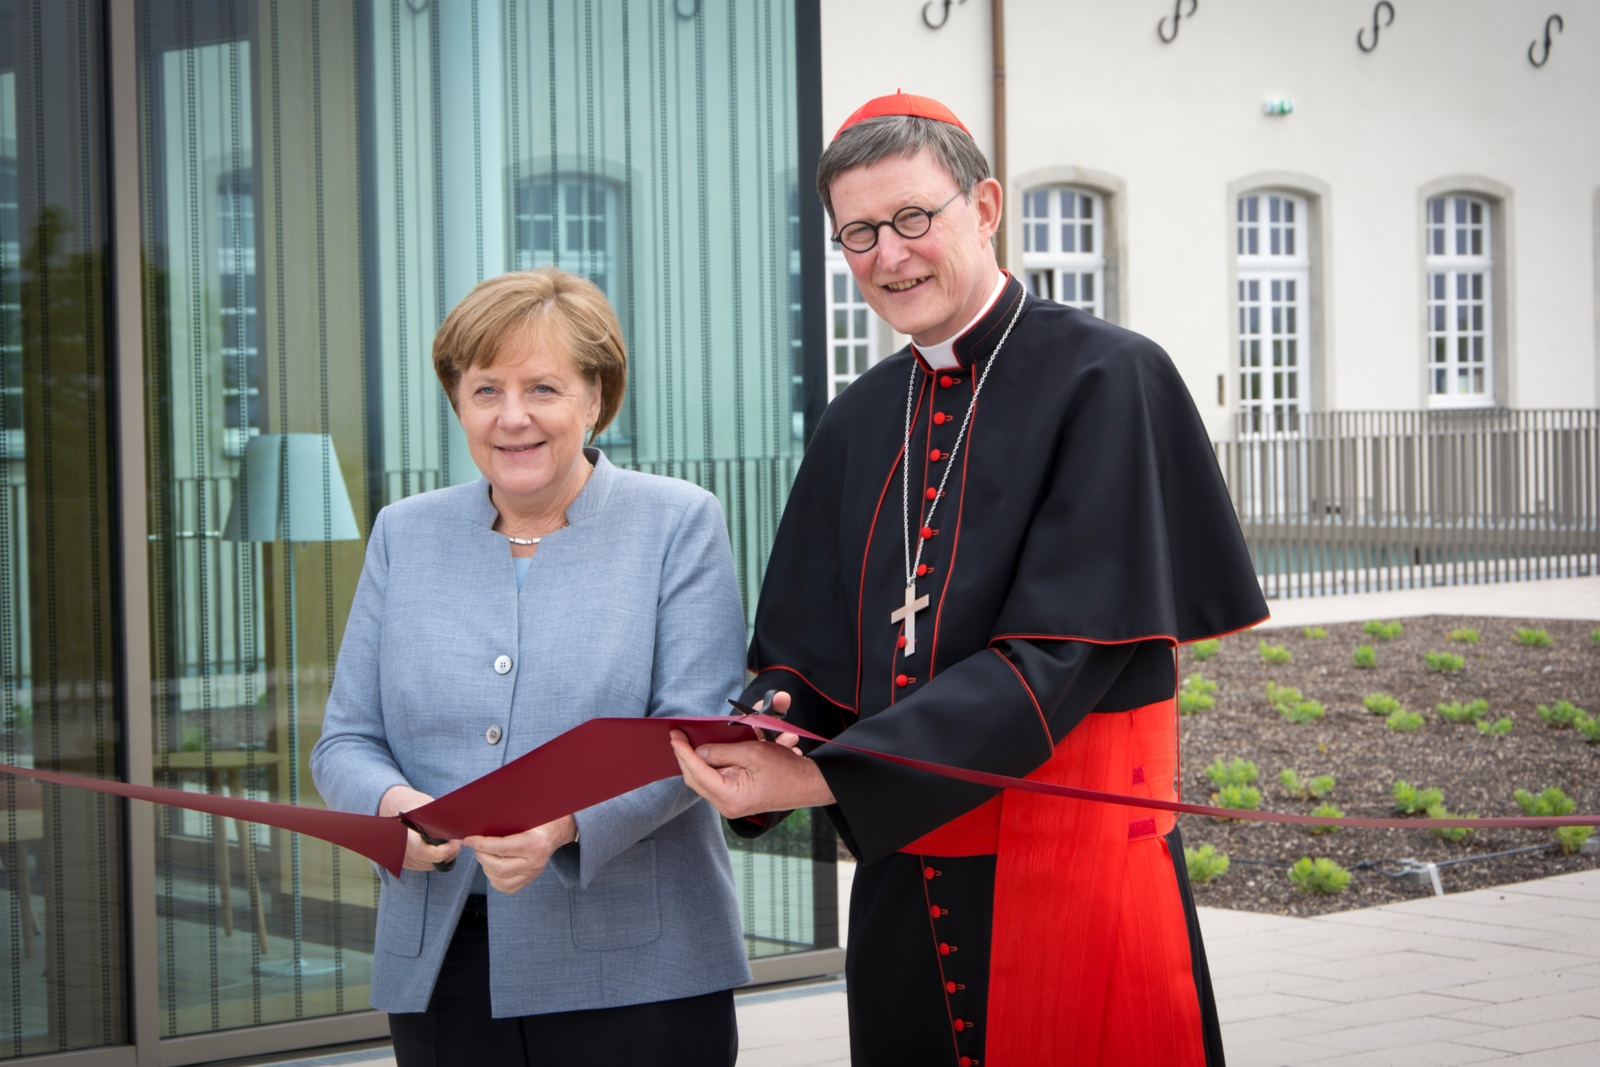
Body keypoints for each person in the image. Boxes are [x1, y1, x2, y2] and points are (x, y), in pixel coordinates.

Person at [672, 93, 1267, 1067]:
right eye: (857, 233)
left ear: (984, 205)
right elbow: (805, 656)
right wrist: (758, 733)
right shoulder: (857, 417)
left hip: (1068, 866)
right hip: (907, 873)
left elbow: (1059, 655)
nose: (889, 254)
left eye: (913, 217)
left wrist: (828, 771)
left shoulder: (1108, 378)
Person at [312, 268, 750, 1067]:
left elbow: (693, 734)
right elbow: (344, 740)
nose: (512, 417)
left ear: (595, 395)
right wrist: (392, 806)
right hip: (443, 967)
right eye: (485, 390)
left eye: (542, 387)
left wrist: (566, 823)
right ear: (458, 403)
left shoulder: (677, 522)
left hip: (637, 969)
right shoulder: (402, 534)